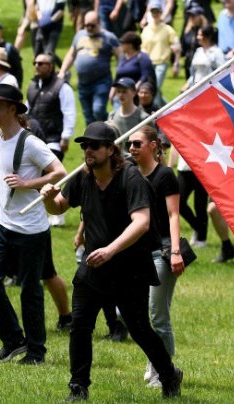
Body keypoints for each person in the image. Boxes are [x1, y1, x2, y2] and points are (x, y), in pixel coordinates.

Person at [40, 121, 184, 401]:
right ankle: (78, 387)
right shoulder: (83, 176)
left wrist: (110, 249)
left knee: (139, 327)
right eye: (84, 146)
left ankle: (169, 374)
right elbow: (59, 206)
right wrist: (47, 198)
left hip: (130, 268)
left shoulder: (130, 178)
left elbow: (141, 223)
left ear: (110, 149)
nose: (87, 151)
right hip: (94, 266)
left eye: (94, 146)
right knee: (80, 324)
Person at [0, 84, 67, 365]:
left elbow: (60, 172)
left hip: (32, 229)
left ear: (14, 110)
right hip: (4, 223)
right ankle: (14, 338)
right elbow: (4, 173)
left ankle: (36, 352)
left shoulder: (30, 142)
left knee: (31, 290)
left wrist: (28, 183)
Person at [128, 125, 185, 389]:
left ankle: (166, 369)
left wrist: (175, 251)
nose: (132, 148)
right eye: (130, 144)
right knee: (139, 314)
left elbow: (174, 215)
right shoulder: (129, 174)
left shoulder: (165, 176)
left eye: (137, 143)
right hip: (137, 251)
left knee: (158, 313)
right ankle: (157, 362)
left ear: (153, 145)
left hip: (162, 250)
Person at [59, 10, 120, 125]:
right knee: (88, 116)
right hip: (83, 83)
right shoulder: (79, 35)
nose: (89, 28)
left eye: (92, 25)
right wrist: (63, 71)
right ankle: (92, 140)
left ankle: (111, 124)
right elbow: (71, 54)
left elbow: (120, 58)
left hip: (101, 81)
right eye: (86, 25)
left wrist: (119, 76)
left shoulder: (109, 37)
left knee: (98, 110)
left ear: (99, 23)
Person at [140, 1, 181, 106]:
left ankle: (156, 111)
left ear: (161, 12)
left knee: (154, 88)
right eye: (153, 12)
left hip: (161, 63)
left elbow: (177, 46)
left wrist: (176, 63)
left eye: (157, 12)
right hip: (149, 63)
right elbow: (143, 47)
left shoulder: (167, 29)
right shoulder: (146, 29)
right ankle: (169, 108)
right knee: (155, 89)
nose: (155, 14)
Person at [113, 31, 154, 102]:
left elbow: (145, 75)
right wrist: (112, 91)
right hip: (121, 93)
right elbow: (117, 76)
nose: (121, 45)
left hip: (136, 95)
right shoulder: (122, 58)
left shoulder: (142, 57)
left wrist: (134, 89)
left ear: (130, 45)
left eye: (123, 43)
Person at [109, 77, 149, 141]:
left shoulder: (143, 118)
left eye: (124, 91)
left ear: (134, 93)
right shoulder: (112, 116)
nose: (121, 95)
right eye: (118, 91)